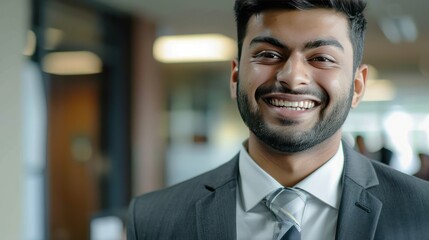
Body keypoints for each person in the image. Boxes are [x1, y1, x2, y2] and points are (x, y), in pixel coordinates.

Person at [127, 0, 429, 239]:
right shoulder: (154, 220)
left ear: (357, 86)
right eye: (269, 54)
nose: (292, 77)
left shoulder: (422, 211)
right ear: (235, 76)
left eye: (321, 58)